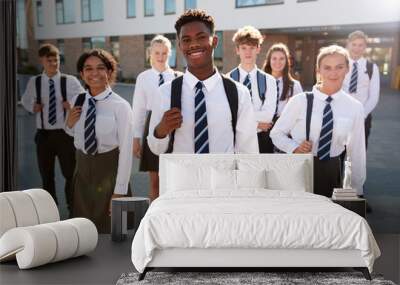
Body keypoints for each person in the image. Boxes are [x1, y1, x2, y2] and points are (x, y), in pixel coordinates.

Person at [147, 9, 258, 155]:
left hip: (222, 177)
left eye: (201, 37)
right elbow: (156, 150)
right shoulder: (165, 93)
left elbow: (248, 151)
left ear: (214, 41)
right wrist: (161, 130)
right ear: (180, 46)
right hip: (181, 177)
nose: (193, 44)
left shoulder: (239, 93)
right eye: (186, 40)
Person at [270, 45, 366, 197]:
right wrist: (294, 147)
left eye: (339, 67)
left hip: (332, 173)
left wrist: (355, 190)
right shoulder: (300, 101)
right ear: (318, 71)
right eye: (327, 68)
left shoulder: (354, 107)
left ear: (347, 69)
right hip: (299, 170)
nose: (333, 73)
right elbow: (276, 134)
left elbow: (356, 153)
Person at [65, 49, 134, 233]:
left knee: (111, 232)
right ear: (81, 74)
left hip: (109, 173)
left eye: (100, 68)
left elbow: (126, 152)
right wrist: (68, 125)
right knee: (82, 231)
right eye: (88, 68)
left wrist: (119, 191)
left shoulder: (121, 107)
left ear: (109, 72)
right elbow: (76, 136)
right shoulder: (77, 100)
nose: (94, 73)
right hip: (82, 172)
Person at [21, 43, 84, 215]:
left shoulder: (69, 81)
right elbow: (26, 100)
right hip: (44, 136)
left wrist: (71, 105)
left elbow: (82, 99)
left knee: (70, 174)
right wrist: (32, 107)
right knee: (46, 176)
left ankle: (73, 209)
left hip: (65, 135)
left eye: (56, 60)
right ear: (42, 61)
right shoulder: (35, 82)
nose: (54, 63)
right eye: (49, 60)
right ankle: (50, 211)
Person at [132, 35, 179, 202]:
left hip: (175, 127)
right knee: (155, 182)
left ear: (170, 54)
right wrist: (136, 138)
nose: (160, 57)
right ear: (150, 54)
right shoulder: (143, 78)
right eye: (157, 53)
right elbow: (138, 110)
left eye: (164, 53)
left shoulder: (178, 77)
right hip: (152, 127)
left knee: (176, 181)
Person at [227, 26, 277, 153]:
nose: (247, 52)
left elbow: (266, 117)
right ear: (237, 50)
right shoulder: (227, 80)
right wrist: (256, 124)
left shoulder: (269, 81)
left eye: (252, 48)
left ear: (258, 49)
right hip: (234, 140)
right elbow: (227, 116)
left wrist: (241, 119)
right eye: (243, 48)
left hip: (262, 140)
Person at [342, 30, 380, 149]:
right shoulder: (340, 64)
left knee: (358, 154)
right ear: (348, 44)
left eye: (360, 45)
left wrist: (361, 115)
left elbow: (374, 96)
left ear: (365, 47)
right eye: (354, 44)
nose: (357, 48)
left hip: (363, 116)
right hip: (340, 114)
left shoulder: (372, 68)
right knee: (338, 152)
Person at [263, 43, 303, 119]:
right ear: (269, 61)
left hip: (284, 129)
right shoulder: (260, 82)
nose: (278, 62)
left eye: (281, 58)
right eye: (274, 58)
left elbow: (301, 113)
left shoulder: (294, 85)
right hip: (261, 128)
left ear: (287, 61)